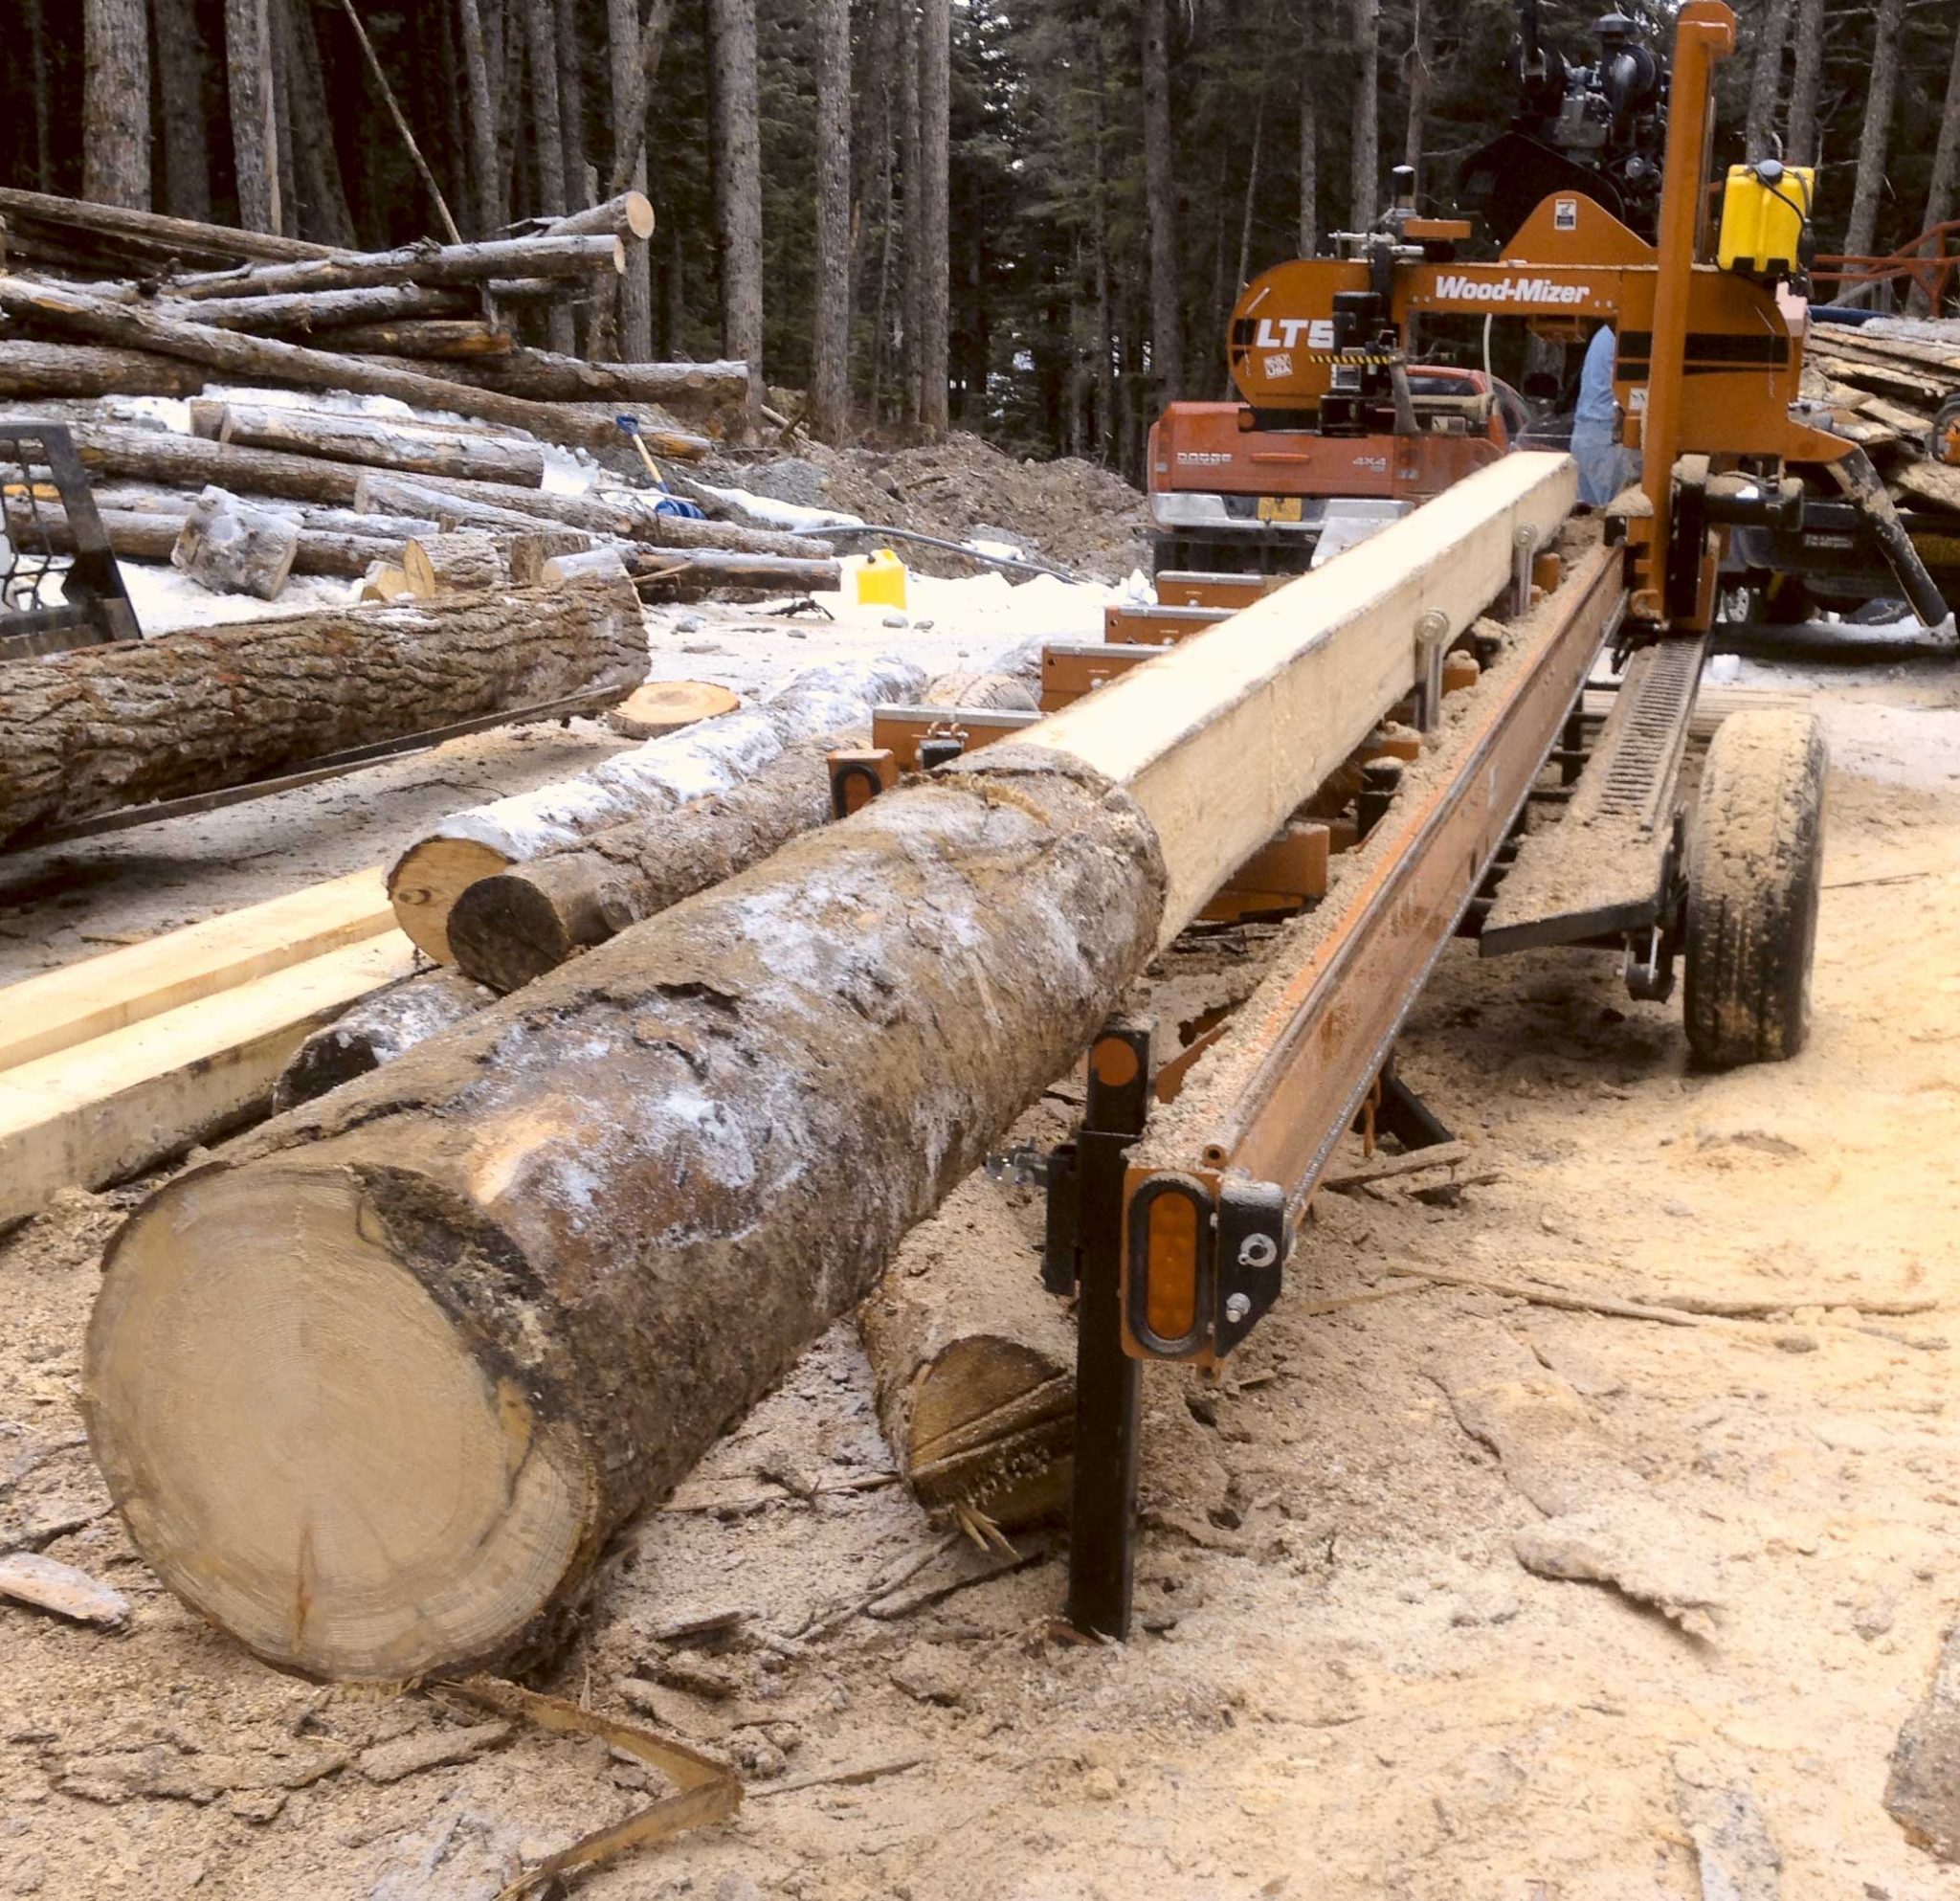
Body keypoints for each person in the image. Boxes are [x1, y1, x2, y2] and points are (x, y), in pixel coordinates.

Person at [1570, 323, 1636, 506]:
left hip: (1587, 434)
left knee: (1589, 520)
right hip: (1607, 437)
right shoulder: (1624, 333)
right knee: (1615, 515)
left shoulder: (1606, 334)